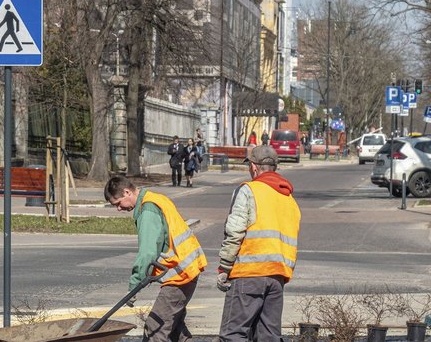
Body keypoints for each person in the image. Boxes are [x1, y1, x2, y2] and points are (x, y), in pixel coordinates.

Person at [104, 176, 207, 342]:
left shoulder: (148, 210)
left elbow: (148, 252)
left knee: (155, 328)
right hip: (186, 272)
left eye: (117, 203)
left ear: (127, 192)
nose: (118, 209)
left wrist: (134, 285)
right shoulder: (157, 198)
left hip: (179, 276)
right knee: (175, 330)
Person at [216, 146, 302, 342]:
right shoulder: (288, 198)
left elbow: (235, 231)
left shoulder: (248, 190)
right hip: (277, 277)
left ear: (254, 167)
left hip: (249, 274)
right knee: (268, 336)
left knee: (233, 334)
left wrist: (224, 267)